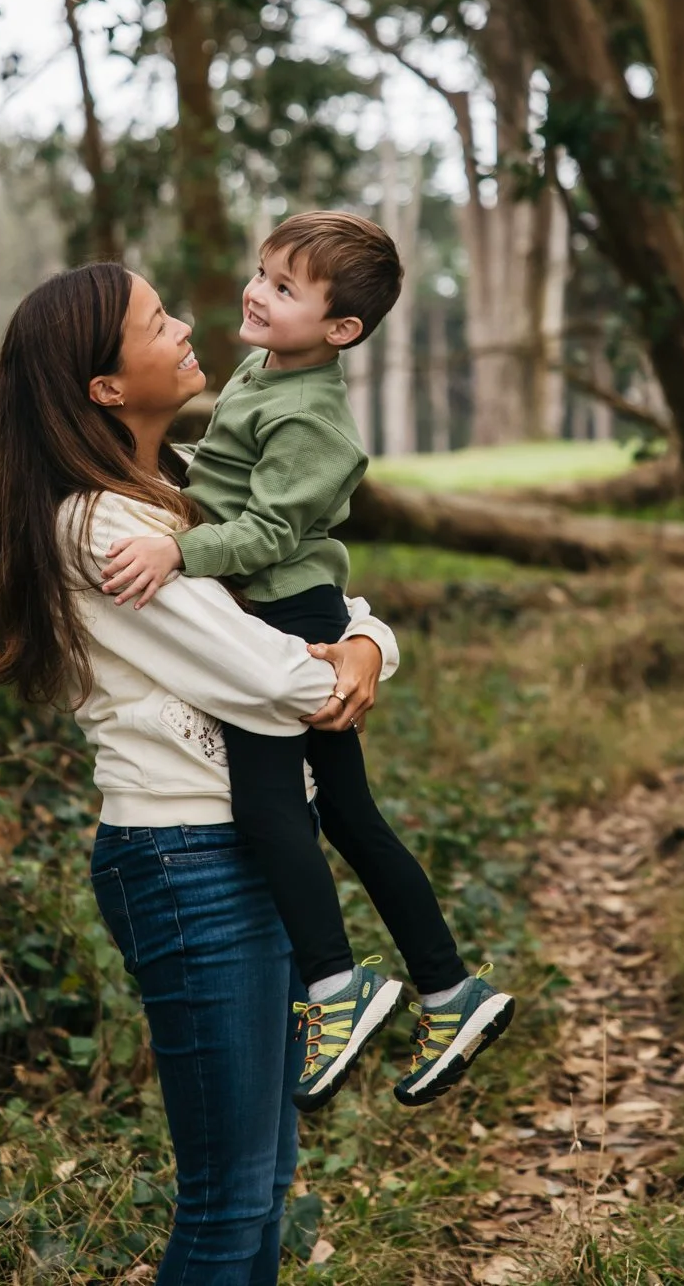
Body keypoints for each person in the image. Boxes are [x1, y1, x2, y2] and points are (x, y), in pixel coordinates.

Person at [0, 262, 402, 1285]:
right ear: (106, 388)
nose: (185, 325)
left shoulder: (180, 495)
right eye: (157, 321)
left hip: (246, 850)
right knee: (228, 1201)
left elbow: (317, 606)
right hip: (184, 863)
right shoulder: (102, 527)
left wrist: (367, 647)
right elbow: (278, 676)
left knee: (265, 1189)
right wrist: (343, 659)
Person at [99, 212, 515, 1112]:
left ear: (341, 331)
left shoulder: (314, 419)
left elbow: (271, 532)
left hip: (289, 614)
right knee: (351, 817)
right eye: (262, 272)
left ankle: (337, 986)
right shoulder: (263, 368)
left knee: (272, 807)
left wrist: (178, 551)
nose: (257, 292)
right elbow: (224, 477)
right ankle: (447, 990)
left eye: (285, 288)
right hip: (287, 607)